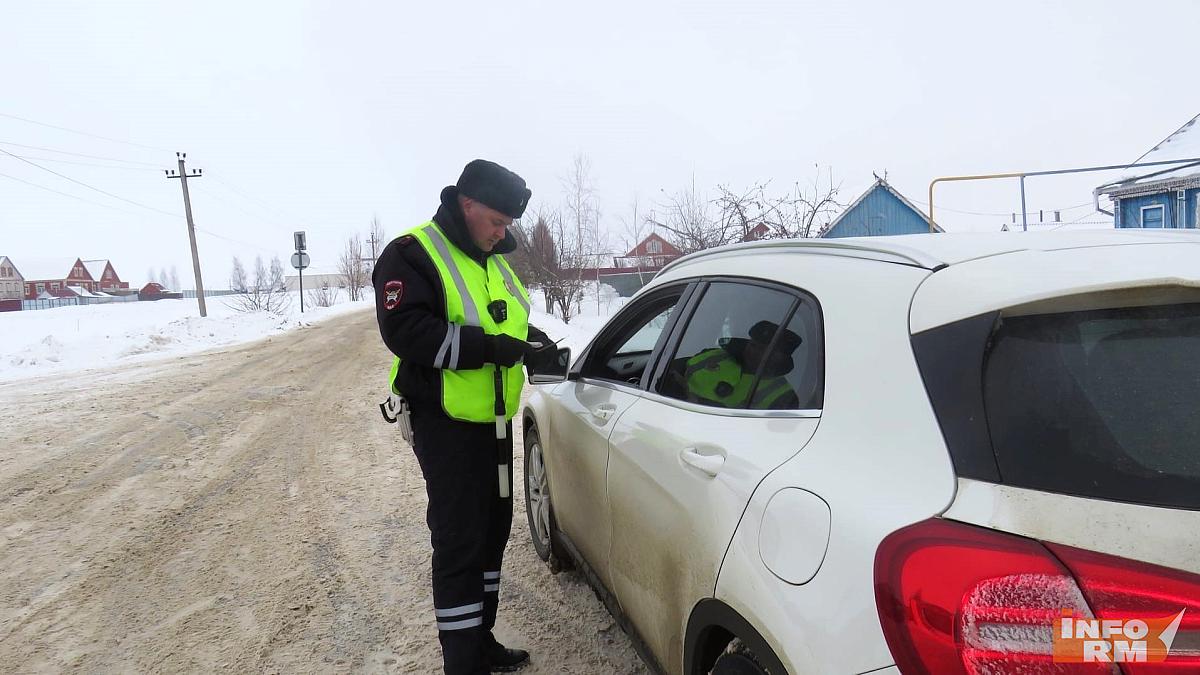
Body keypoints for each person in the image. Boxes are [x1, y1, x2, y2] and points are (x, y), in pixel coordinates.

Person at [373, 159, 553, 674]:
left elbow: (507, 321)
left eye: (507, 225)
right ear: (466, 204)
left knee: (493, 530)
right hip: (443, 421)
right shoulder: (412, 254)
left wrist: (530, 345)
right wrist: (490, 349)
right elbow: (406, 331)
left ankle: (480, 640)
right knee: (459, 538)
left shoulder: (493, 260)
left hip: (493, 421)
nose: (503, 233)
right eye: (497, 221)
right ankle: (462, 661)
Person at [675, 320, 802, 409]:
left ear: (781, 358)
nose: (753, 351)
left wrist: (695, 400)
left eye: (763, 350)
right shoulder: (714, 356)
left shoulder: (783, 395)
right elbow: (671, 371)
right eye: (753, 345)